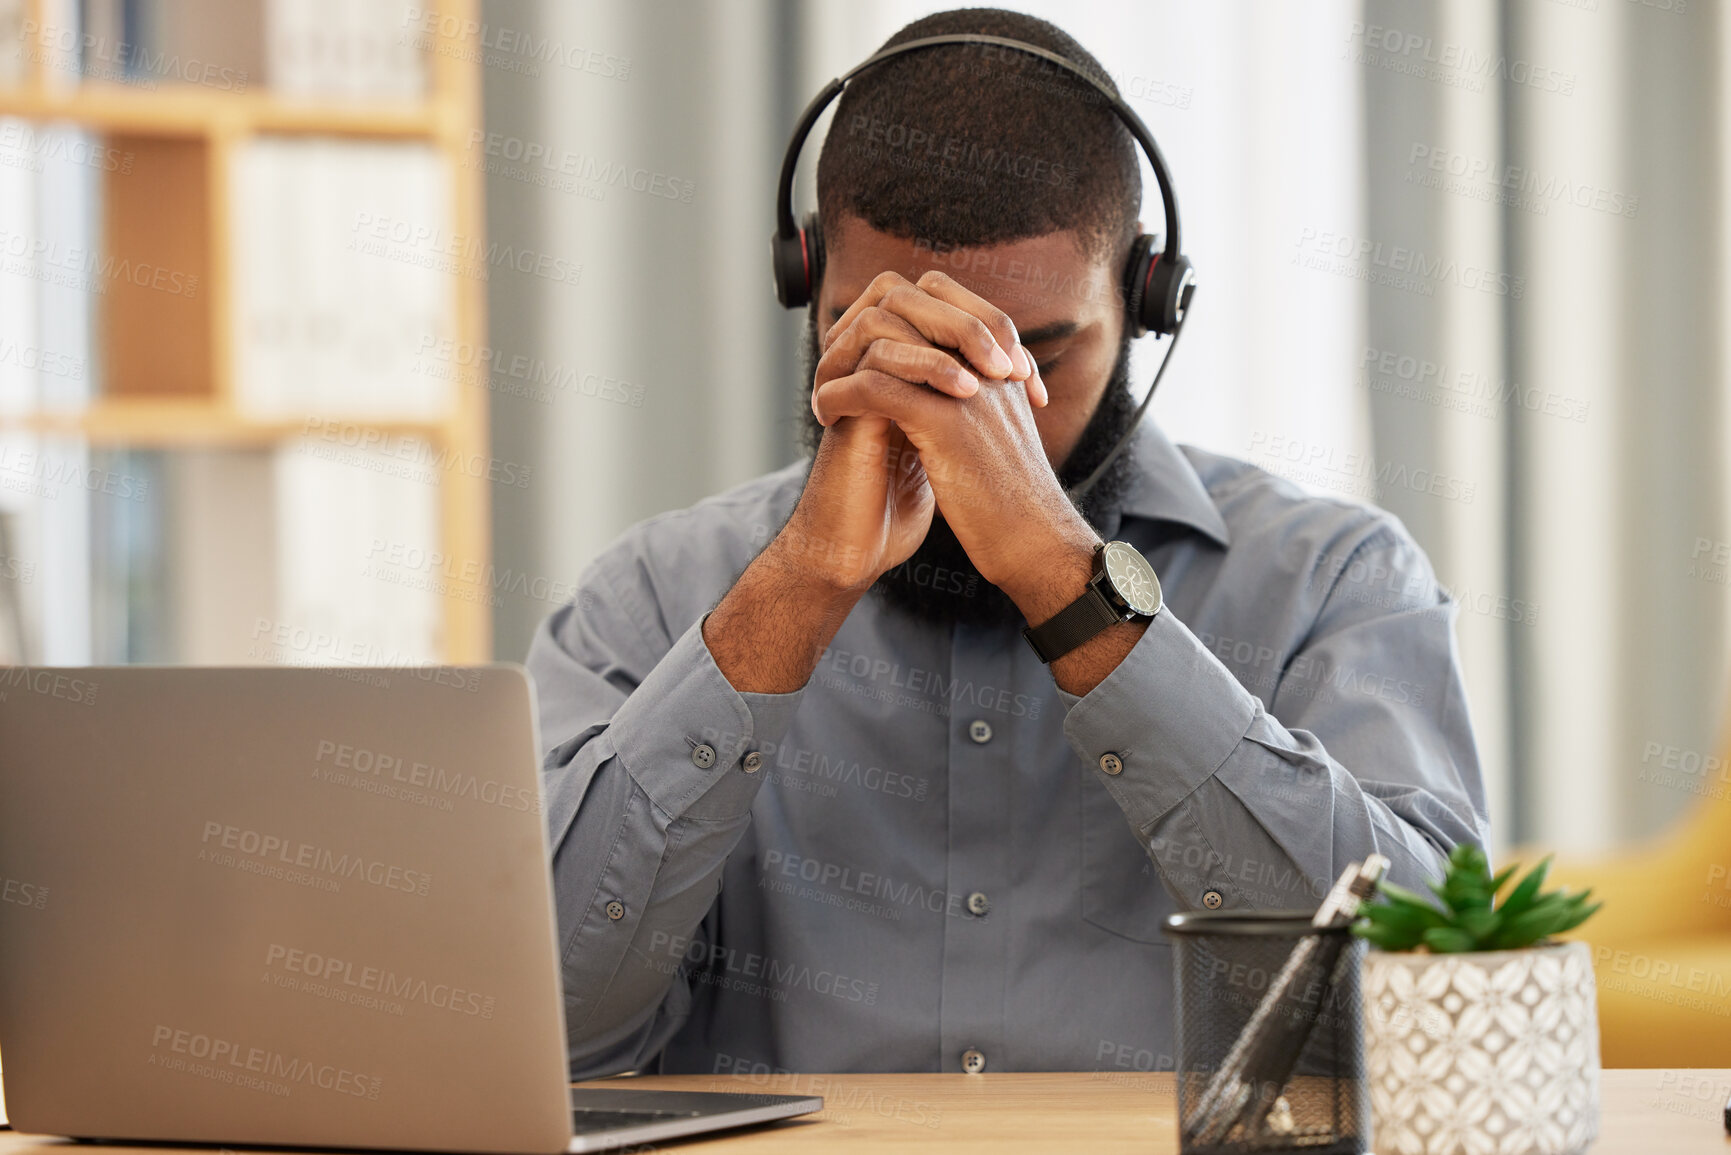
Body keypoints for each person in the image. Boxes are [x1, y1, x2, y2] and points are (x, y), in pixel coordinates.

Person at [527, 7, 1487, 1079]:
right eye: (889, 346)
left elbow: (1429, 1019)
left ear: (1146, 301)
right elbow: (542, 1036)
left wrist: (1066, 581)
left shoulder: (1333, 582)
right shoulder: (656, 596)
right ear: (809, 290)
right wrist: (791, 596)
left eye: (1031, 361)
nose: (963, 419)